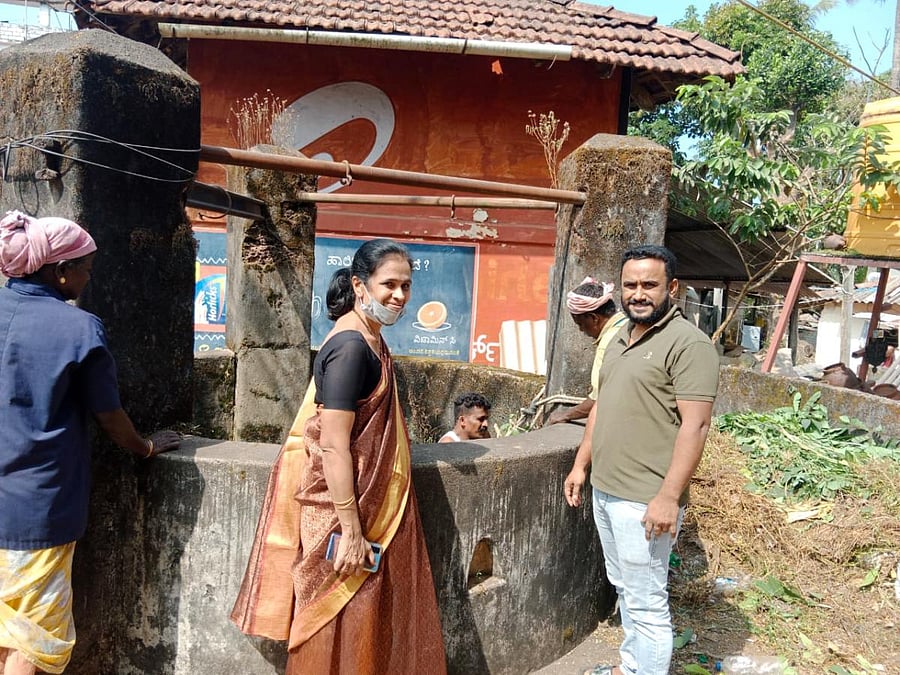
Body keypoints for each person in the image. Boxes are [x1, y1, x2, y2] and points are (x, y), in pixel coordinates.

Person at [231, 238, 446, 674]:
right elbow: (333, 443)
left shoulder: (371, 340)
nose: (399, 296)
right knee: (335, 619)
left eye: (406, 285)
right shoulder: (351, 347)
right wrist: (350, 529)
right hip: (340, 512)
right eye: (389, 284)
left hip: (360, 506)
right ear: (359, 284)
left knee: (360, 623)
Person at [0, 210, 181, 675]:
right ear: (61, 271)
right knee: (33, 637)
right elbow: (110, 416)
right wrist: (145, 448)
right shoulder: (79, 329)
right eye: (86, 268)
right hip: (38, 507)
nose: (88, 277)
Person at [564, 245, 719, 675]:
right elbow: (602, 405)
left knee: (647, 602)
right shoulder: (618, 337)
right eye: (630, 284)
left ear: (672, 287)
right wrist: (581, 463)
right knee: (627, 590)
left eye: (649, 285)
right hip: (607, 489)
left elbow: (696, 426)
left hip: (645, 499)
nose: (638, 293)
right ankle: (630, 667)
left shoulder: (689, 344)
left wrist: (668, 497)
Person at [546, 277, 628, 425]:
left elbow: (599, 398)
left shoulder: (609, 342)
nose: (581, 330)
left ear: (593, 318)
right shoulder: (630, 325)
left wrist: (565, 415)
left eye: (581, 324)